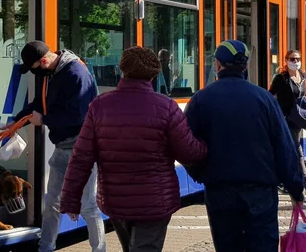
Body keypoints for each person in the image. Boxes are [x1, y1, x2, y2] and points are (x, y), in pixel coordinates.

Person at [60, 46, 207, 252]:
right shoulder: (166, 107)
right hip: (155, 201)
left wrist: (70, 200)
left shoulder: (99, 106)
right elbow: (188, 153)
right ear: (154, 73)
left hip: (116, 201)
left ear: (122, 70)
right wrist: (207, 147)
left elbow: (81, 158)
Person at [185, 40, 305, 252]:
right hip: (260, 191)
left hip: (219, 190)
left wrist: (200, 173)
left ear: (217, 65)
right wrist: (295, 188)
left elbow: (186, 144)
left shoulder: (201, 99)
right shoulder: (264, 98)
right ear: (245, 66)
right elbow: (285, 147)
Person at [9, 41, 106, 252]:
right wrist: (16, 121)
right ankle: (46, 247)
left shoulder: (76, 74)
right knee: (52, 201)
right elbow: (39, 103)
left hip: (83, 149)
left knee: (88, 206)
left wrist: (43, 119)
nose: (36, 74)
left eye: (35, 69)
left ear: (44, 61)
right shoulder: (52, 74)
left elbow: (77, 115)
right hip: (62, 148)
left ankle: (99, 250)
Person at [269, 50, 306, 201]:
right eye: (292, 59)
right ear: (286, 61)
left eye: (297, 59)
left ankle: (284, 182)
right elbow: (270, 95)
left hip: (298, 120)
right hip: (285, 119)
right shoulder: (281, 78)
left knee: (291, 152)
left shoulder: (303, 76)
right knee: (297, 152)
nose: (295, 61)